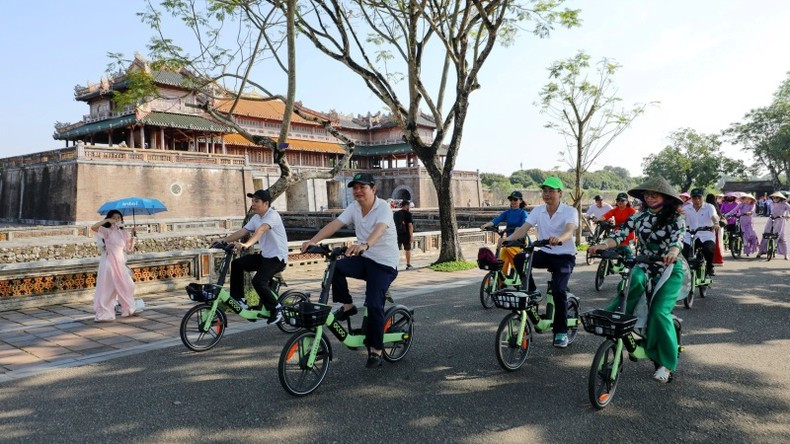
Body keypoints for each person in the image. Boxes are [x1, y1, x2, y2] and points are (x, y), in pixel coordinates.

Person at [588, 176, 686, 383]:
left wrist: (673, 252)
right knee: (631, 282)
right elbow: (621, 233)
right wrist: (604, 245)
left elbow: (678, 239)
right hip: (643, 263)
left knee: (660, 312)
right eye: (647, 194)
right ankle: (617, 317)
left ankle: (666, 364)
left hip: (668, 267)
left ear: (665, 197)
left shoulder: (676, 218)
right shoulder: (639, 217)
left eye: (654, 194)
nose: (650, 198)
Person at [302, 172, 399, 368]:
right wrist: (313, 241)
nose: (358, 191)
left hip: (384, 264)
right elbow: (335, 225)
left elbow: (379, 230)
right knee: (335, 266)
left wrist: (365, 245)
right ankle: (348, 306)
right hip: (365, 259)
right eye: (355, 188)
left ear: (373, 189)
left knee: (373, 305)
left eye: (362, 187)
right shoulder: (354, 207)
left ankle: (376, 350)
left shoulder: (383, 209)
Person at [505, 177, 578, 348]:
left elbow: (569, 231)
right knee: (520, 258)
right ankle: (533, 292)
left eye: (551, 191)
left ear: (560, 193)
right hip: (545, 252)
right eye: (545, 191)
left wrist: (559, 239)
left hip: (564, 255)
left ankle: (560, 332)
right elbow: (523, 229)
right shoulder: (538, 210)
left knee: (559, 290)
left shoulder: (570, 211)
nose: (547, 194)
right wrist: (507, 240)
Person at [218, 189, 289, 324]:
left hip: (277, 259)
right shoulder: (256, 218)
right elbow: (243, 231)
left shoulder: (272, 216)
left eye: (256, 201)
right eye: (252, 201)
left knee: (258, 281)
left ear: (266, 204)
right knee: (237, 264)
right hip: (265, 257)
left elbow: (261, 230)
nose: (253, 204)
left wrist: (247, 244)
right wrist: (223, 241)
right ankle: (239, 299)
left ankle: (276, 308)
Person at [91, 210, 137, 322]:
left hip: (120, 262)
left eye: (119, 217)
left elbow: (129, 248)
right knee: (108, 288)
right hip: (109, 262)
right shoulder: (106, 231)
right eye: (114, 217)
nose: (117, 219)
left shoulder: (123, 232)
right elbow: (93, 228)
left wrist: (133, 236)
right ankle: (104, 313)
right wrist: (106, 220)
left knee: (129, 285)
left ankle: (127, 307)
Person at [480, 190, 529, 277]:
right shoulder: (508, 212)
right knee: (501, 257)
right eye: (511, 200)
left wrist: (519, 228)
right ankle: (501, 280)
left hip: (519, 241)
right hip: (508, 241)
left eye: (515, 199)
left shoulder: (523, 213)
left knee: (509, 250)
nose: (513, 202)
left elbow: (525, 224)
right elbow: (496, 220)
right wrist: (486, 225)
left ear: (520, 201)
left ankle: (515, 268)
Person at [683, 188, 719, 277]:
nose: (697, 200)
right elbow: (679, 218)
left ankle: (710, 267)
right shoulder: (686, 208)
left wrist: (716, 223)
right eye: (694, 198)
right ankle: (685, 271)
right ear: (691, 198)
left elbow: (714, 216)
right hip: (689, 236)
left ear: (703, 197)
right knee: (683, 253)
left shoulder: (709, 207)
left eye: (699, 197)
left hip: (706, 235)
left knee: (709, 250)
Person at [757, 192, 790, 259]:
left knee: (781, 237)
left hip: (780, 220)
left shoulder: (785, 204)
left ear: (780, 198)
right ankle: (761, 251)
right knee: (766, 235)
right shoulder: (772, 203)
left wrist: (788, 215)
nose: (775, 198)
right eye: (774, 197)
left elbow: (789, 211)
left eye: (777, 197)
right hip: (771, 219)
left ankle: (785, 254)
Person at [393, 200, 415, 269]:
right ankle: (408, 264)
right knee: (407, 250)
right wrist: (411, 236)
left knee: (396, 250)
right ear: (406, 205)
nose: (409, 207)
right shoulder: (408, 214)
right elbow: (410, 225)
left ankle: (394, 265)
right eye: (409, 206)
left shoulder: (396, 214)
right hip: (406, 235)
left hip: (397, 234)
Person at [706, 193, 725, 265]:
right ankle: (717, 259)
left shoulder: (706, 206)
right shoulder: (715, 206)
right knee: (716, 243)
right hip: (715, 227)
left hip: (707, 228)